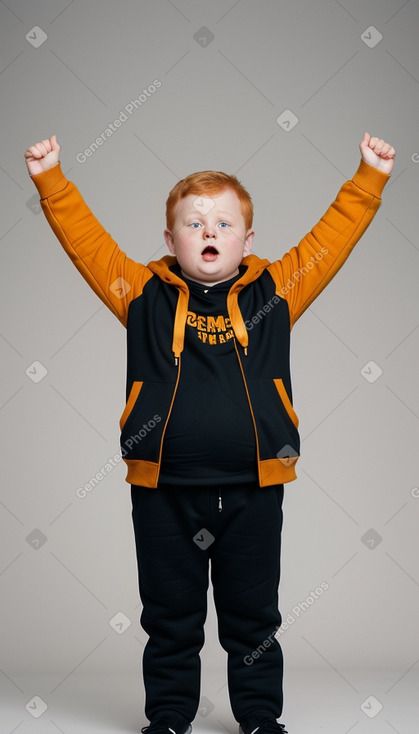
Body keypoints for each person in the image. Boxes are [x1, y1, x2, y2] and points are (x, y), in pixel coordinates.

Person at [24, 132, 395, 734]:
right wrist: (52, 181)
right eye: (193, 224)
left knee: (253, 617)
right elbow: (87, 246)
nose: (209, 232)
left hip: (253, 488)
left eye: (223, 222)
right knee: (170, 616)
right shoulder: (142, 295)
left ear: (248, 241)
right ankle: (169, 718)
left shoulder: (275, 292)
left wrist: (368, 179)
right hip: (163, 490)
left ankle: (257, 717)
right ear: (170, 241)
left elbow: (329, 244)